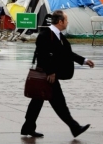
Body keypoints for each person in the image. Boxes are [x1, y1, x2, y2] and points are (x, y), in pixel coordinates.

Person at [21, 10, 95, 138]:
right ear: (60, 22)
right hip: (48, 76)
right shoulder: (45, 35)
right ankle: (74, 127)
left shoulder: (58, 35)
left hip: (50, 75)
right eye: (66, 20)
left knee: (37, 101)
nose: (67, 23)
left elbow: (67, 53)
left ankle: (28, 127)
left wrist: (84, 60)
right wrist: (50, 72)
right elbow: (42, 55)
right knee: (59, 102)